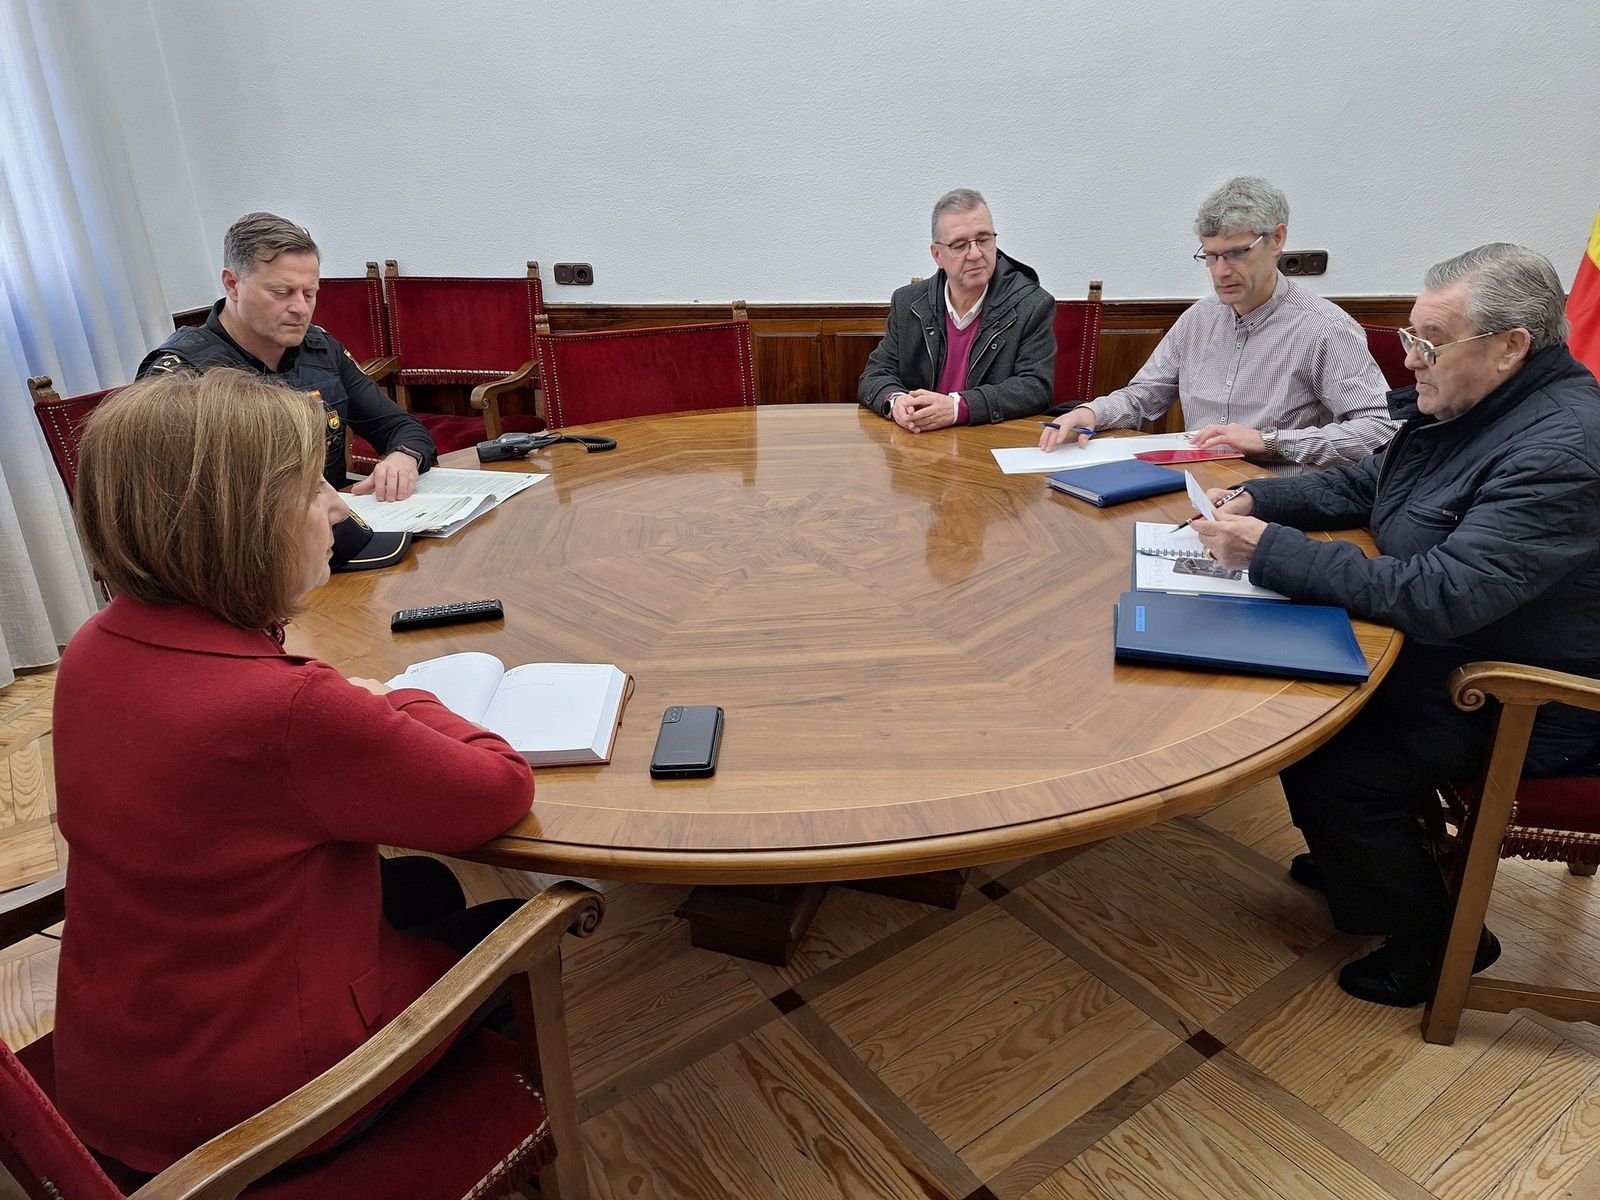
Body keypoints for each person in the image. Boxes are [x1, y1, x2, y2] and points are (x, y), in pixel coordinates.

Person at [50, 369, 535, 1173]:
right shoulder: (291, 711)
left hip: (119, 1067)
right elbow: (498, 789)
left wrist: (340, 699)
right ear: (243, 523)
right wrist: (400, 698)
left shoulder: (94, 647)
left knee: (424, 888)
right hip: (252, 1113)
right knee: (512, 930)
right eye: (313, 490)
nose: (339, 508)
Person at [1192, 243, 1600, 1007]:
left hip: (1527, 696)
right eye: (1413, 335)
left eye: (1429, 342)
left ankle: (1441, 940)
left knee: (1333, 758)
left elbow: (1444, 594)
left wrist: (1268, 554)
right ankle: (1368, 865)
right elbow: (1370, 480)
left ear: (1511, 347)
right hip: (1454, 653)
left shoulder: (1560, 449)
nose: (1410, 360)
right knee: (1301, 710)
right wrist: (1260, 502)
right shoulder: (1473, 405)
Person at [1039, 177, 1395, 467]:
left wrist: (1268, 441)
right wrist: (1091, 412)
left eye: (1238, 252)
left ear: (1277, 240)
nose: (1221, 271)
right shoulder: (1199, 319)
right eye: (1211, 256)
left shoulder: (1324, 328)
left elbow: (1380, 429)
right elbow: (1142, 397)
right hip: (1195, 482)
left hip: (1279, 497)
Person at [139, 211, 435, 505]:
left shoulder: (321, 349)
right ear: (232, 285)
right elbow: (168, 503)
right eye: (282, 292)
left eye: (310, 294)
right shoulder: (181, 375)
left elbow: (401, 428)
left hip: (333, 526)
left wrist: (403, 458)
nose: (301, 309)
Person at [859, 188, 1056, 431]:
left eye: (984, 239)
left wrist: (957, 407)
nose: (975, 254)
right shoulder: (908, 303)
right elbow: (875, 375)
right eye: (960, 245)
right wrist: (896, 402)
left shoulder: (1031, 305)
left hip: (987, 447)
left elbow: (1035, 388)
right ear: (937, 255)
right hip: (919, 445)